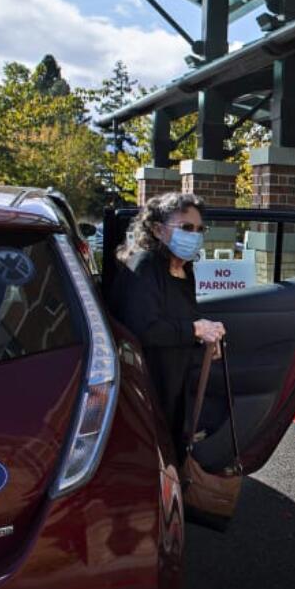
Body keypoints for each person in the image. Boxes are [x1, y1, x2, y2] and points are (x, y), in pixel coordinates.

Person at [113, 192, 226, 458]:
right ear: (157, 229)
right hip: (148, 383)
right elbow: (144, 328)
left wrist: (206, 336)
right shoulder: (145, 266)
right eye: (186, 227)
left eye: (199, 229)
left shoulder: (185, 270)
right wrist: (196, 330)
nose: (194, 235)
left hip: (176, 379)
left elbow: (186, 318)